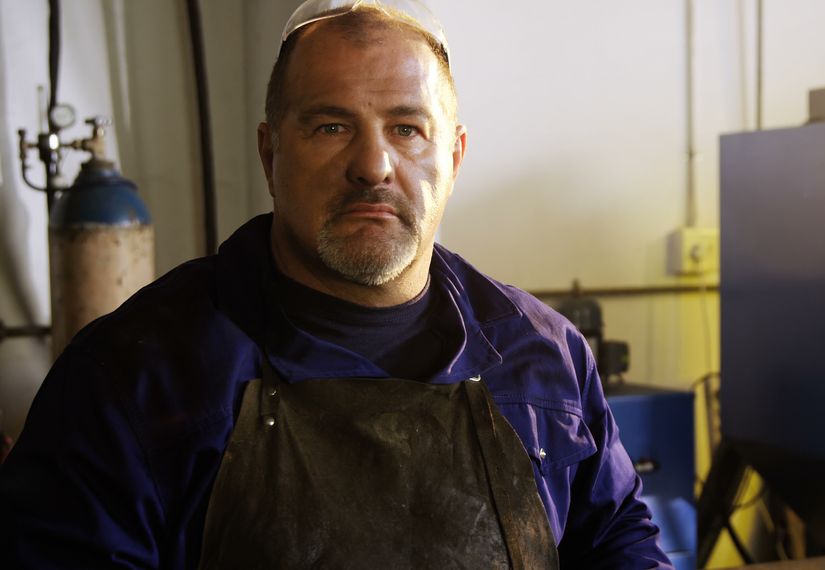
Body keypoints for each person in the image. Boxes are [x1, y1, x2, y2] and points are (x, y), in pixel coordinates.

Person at [0, 0, 671, 567]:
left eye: (407, 129)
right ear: (271, 153)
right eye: (331, 126)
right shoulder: (133, 377)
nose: (372, 165)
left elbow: (617, 543)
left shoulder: (543, 357)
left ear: (456, 157)